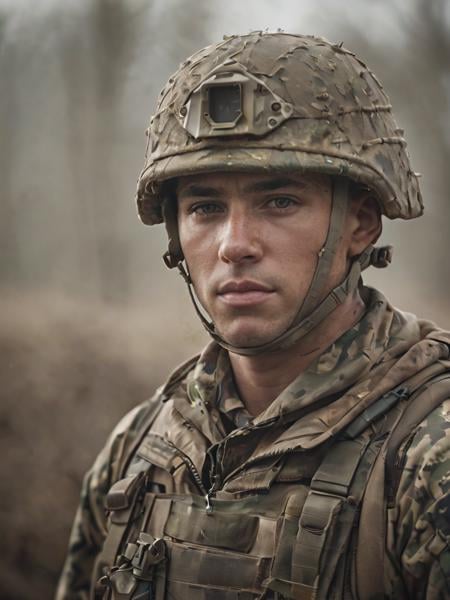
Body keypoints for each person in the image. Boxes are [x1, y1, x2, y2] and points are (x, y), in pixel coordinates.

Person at [56, 32, 450, 600]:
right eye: (205, 207)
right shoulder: (141, 449)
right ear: (175, 236)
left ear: (360, 224)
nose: (234, 244)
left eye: (279, 201)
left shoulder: (427, 461)